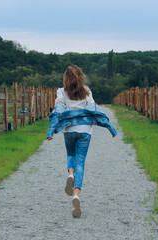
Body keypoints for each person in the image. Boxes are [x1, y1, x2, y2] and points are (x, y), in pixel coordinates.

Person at [47, 65, 117, 218]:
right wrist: (110, 127)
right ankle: (76, 195)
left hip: (69, 130)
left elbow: (57, 110)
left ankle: (70, 174)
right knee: (80, 162)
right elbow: (94, 110)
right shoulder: (87, 92)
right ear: (80, 77)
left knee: (70, 156)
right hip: (85, 131)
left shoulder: (61, 92)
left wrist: (51, 130)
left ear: (66, 79)